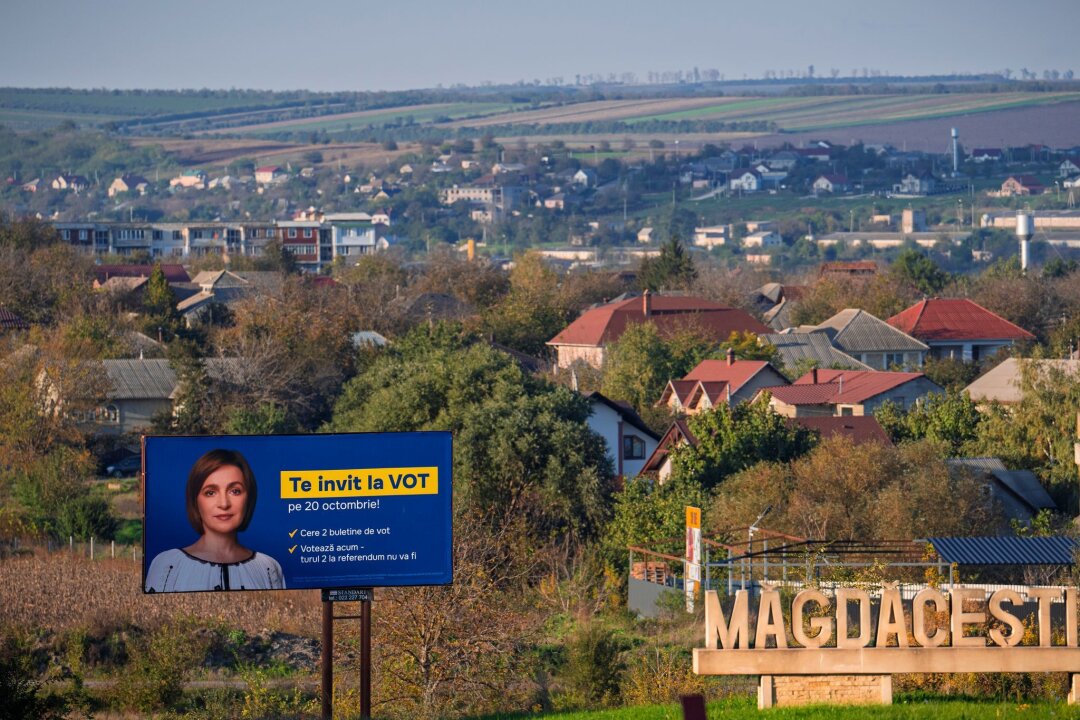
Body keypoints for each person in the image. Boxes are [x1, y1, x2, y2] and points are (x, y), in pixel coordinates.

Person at [145, 449, 285, 592]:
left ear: (248, 498)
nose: (224, 504)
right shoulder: (167, 565)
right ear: (195, 501)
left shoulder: (268, 567)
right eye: (210, 493)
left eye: (235, 491)